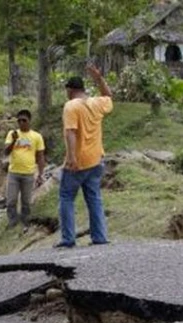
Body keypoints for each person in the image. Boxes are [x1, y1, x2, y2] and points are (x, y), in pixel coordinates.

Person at [56, 64, 113, 248]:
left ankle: (68, 239)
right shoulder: (96, 102)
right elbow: (109, 97)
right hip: (96, 159)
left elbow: (71, 132)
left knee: (66, 197)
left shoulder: (71, 106)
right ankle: (100, 236)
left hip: (78, 161)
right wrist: (99, 79)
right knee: (94, 198)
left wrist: (71, 157)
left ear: (70, 90)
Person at [4, 109, 45, 231]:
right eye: (19, 121)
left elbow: (40, 156)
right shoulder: (12, 134)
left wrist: (41, 173)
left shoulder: (36, 136)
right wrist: (14, 141)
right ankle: (12, 222)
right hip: (14, 173)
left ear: (29, 121)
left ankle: (25, 221)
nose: (21, 123)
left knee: (26, 200)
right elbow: (6, 152)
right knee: (11, 199)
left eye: (24, 120)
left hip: (28, 173)